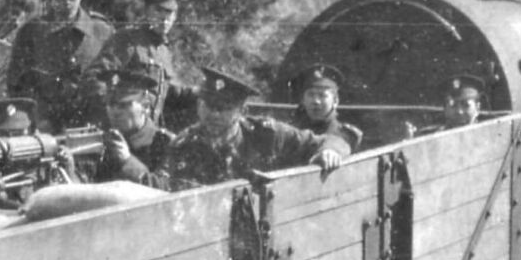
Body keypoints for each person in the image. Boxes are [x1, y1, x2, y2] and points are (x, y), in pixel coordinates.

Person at [161, 67, 344, 188]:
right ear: (199, 105)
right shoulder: (183, 144)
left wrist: (330, 151)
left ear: (242, 111)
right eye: (209, 106)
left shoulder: (266, 134)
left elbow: (331, 140)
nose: (215, 114)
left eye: (224, 108)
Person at [7, 0, 115, 131]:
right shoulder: (32, 32)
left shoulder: (102, 32)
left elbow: (113, 84)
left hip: (92, 128)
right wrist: (38, 119)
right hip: (46, 128)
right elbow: (17, 86)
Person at [90, 0, 196, 129]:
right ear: (147, 11)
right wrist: (113, 115)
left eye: (170, 13)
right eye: (158, 10)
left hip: (147, 133)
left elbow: (164, 89)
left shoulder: (163, 51)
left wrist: (197, 92)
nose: (164, 18)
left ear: (175, 16)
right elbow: (95, 78)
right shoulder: (127, 39)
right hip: (122, 130)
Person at [0, 97, 79, 209]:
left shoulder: (47, 162)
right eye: (6, 135)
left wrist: (68, 170)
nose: (19, 144)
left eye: (22, 135)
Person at [94, 69, 175, 187]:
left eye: (123, 105)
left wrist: (128, 161)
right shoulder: (103, 143)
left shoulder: (166, 143)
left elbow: (166, 190)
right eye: (111, 104)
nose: (115, 111)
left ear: (145, 107)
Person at [288, 63, 362, 155]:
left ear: (335, 101)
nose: (316, 101)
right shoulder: (293, 130)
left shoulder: (346, 135)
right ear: (303, 100)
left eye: (322, 95)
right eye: (311, 95)